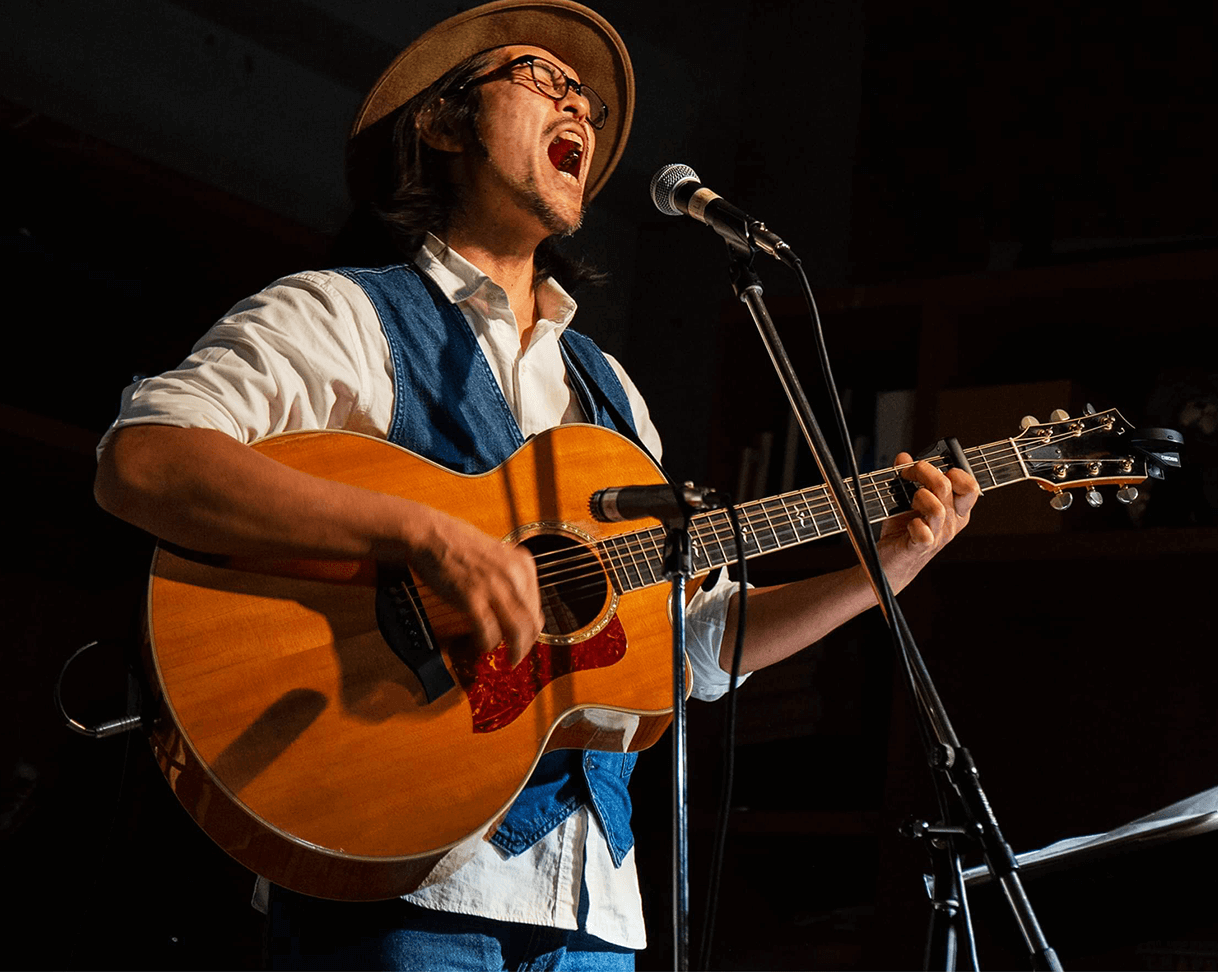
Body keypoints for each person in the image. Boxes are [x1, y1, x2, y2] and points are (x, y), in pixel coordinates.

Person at [92, 1, 979, 968]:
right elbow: (146, 459)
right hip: (403, 875)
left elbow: (689, 645)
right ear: (440, 121)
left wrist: (882, 566)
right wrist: (426, 537)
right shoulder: (341, 313)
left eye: (588, 101)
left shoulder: (607, 390)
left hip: (595, 908)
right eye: (541, 79)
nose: (582, 111)